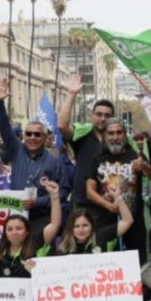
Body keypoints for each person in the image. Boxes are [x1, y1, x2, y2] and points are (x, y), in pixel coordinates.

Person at [52, 192, 134, 301]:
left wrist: (119, 199)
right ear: (71, 228)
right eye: (77, 226)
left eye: (85, 225)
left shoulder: (101, 236)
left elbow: (128, 221)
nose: (81, 230)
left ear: (92, 226)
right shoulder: (63, 247)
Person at [0, 78, 68, 239]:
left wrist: (39, 202)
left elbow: (62, 193)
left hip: (43, 218)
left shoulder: (55, 162)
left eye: (37, 134)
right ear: (23, 136)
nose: (32, 137)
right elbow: (4, 127)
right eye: (28, 134)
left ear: (45, 137)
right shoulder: (16, 150)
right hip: (16, 218)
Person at [86, 120, 149, 260]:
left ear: (125, 135)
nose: (115, 137)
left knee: (136, 262)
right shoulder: (96, 158)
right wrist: (108, 205)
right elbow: (89, 191)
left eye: (119, 132)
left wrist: (144, 166)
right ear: (105, 136)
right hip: (106, 220)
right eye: (111, 133)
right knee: (107, 263)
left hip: (134, 220)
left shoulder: (136, 156)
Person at [57, 73, 116, 207]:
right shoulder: (82, 136)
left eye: (107, 115)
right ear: (92, 116)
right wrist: (71, 94)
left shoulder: (120, 140)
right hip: (83, 203)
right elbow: (62, 126)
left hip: (111, 203)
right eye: (99, 114)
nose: (102, 119)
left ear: (113, 118)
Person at [0, 178, 63, 277]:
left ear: (27, 231)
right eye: (10, 229)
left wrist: (54, 197)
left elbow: (55, 224)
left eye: (19, 228)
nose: (14, 232)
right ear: (5, 233)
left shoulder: (35, 243)